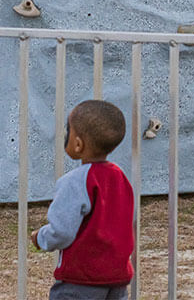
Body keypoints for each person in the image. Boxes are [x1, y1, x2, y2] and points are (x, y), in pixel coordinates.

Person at [34, 100, 135, 299]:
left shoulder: (76, 181)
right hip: (117, 278)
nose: (65, 136)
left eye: (68, 131)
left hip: (81, 280)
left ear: (78, 144)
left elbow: (62, 231)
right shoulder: (119, 176)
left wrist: (40, 237)